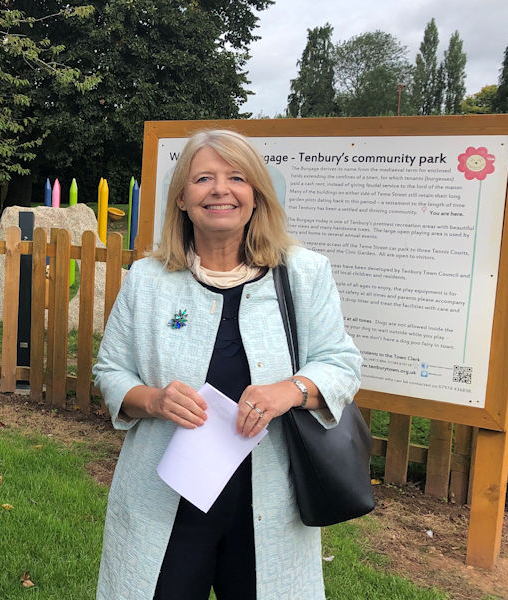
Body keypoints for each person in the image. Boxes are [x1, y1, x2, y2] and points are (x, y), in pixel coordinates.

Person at [92, 129, 361, 599]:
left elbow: (341, 363)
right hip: (166, 499)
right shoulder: (147, 281)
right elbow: (111, 371)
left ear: (256, 195)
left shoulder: (303, 272)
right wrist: (154, 400)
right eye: (203, 178)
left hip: (271, 501)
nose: (220, 189)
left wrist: (290, 390)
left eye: (237, 177)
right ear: (181, 198)